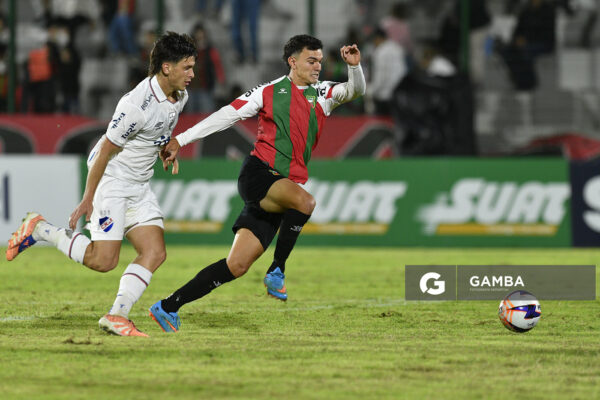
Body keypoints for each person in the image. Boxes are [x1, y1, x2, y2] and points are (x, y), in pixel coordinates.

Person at [148, 34, 365, 333]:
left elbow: (355, 90)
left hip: (281, 186)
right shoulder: (268, 92)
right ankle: (277, 270)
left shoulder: (324, 94)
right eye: (311, 60)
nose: (317, 67)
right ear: (293, 61)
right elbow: (226, 116)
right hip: (259, 174)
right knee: (306, 202)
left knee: (235, 266)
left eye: (320, 61)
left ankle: (168, 306)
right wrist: (181, 140)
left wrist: (354, 67)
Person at [6, 31, 197, 337]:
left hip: (139, 183)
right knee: (103, 260)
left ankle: (116, 316)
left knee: (155, 252)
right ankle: (41, 229)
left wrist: (166, 150)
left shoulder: (180, 95)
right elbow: (106, 149)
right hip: (113, 179)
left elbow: (157, 132)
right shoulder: (137, 105)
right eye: (186, 67)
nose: (192, 74)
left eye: (192, 66)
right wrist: (88, 198)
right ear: (166, 67)